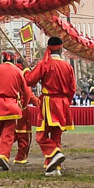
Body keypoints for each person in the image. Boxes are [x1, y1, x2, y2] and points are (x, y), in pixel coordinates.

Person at [24, 38, 76, 176]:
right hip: (63, 103)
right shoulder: (67, 66)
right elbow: (72, 89)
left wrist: (26, 70)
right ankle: (54, 168)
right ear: (60, 49)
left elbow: (29, 80)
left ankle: (55, 153)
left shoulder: (45, 64)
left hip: (49, 102)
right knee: (56, 136)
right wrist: (66, 102)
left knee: (41, 135)